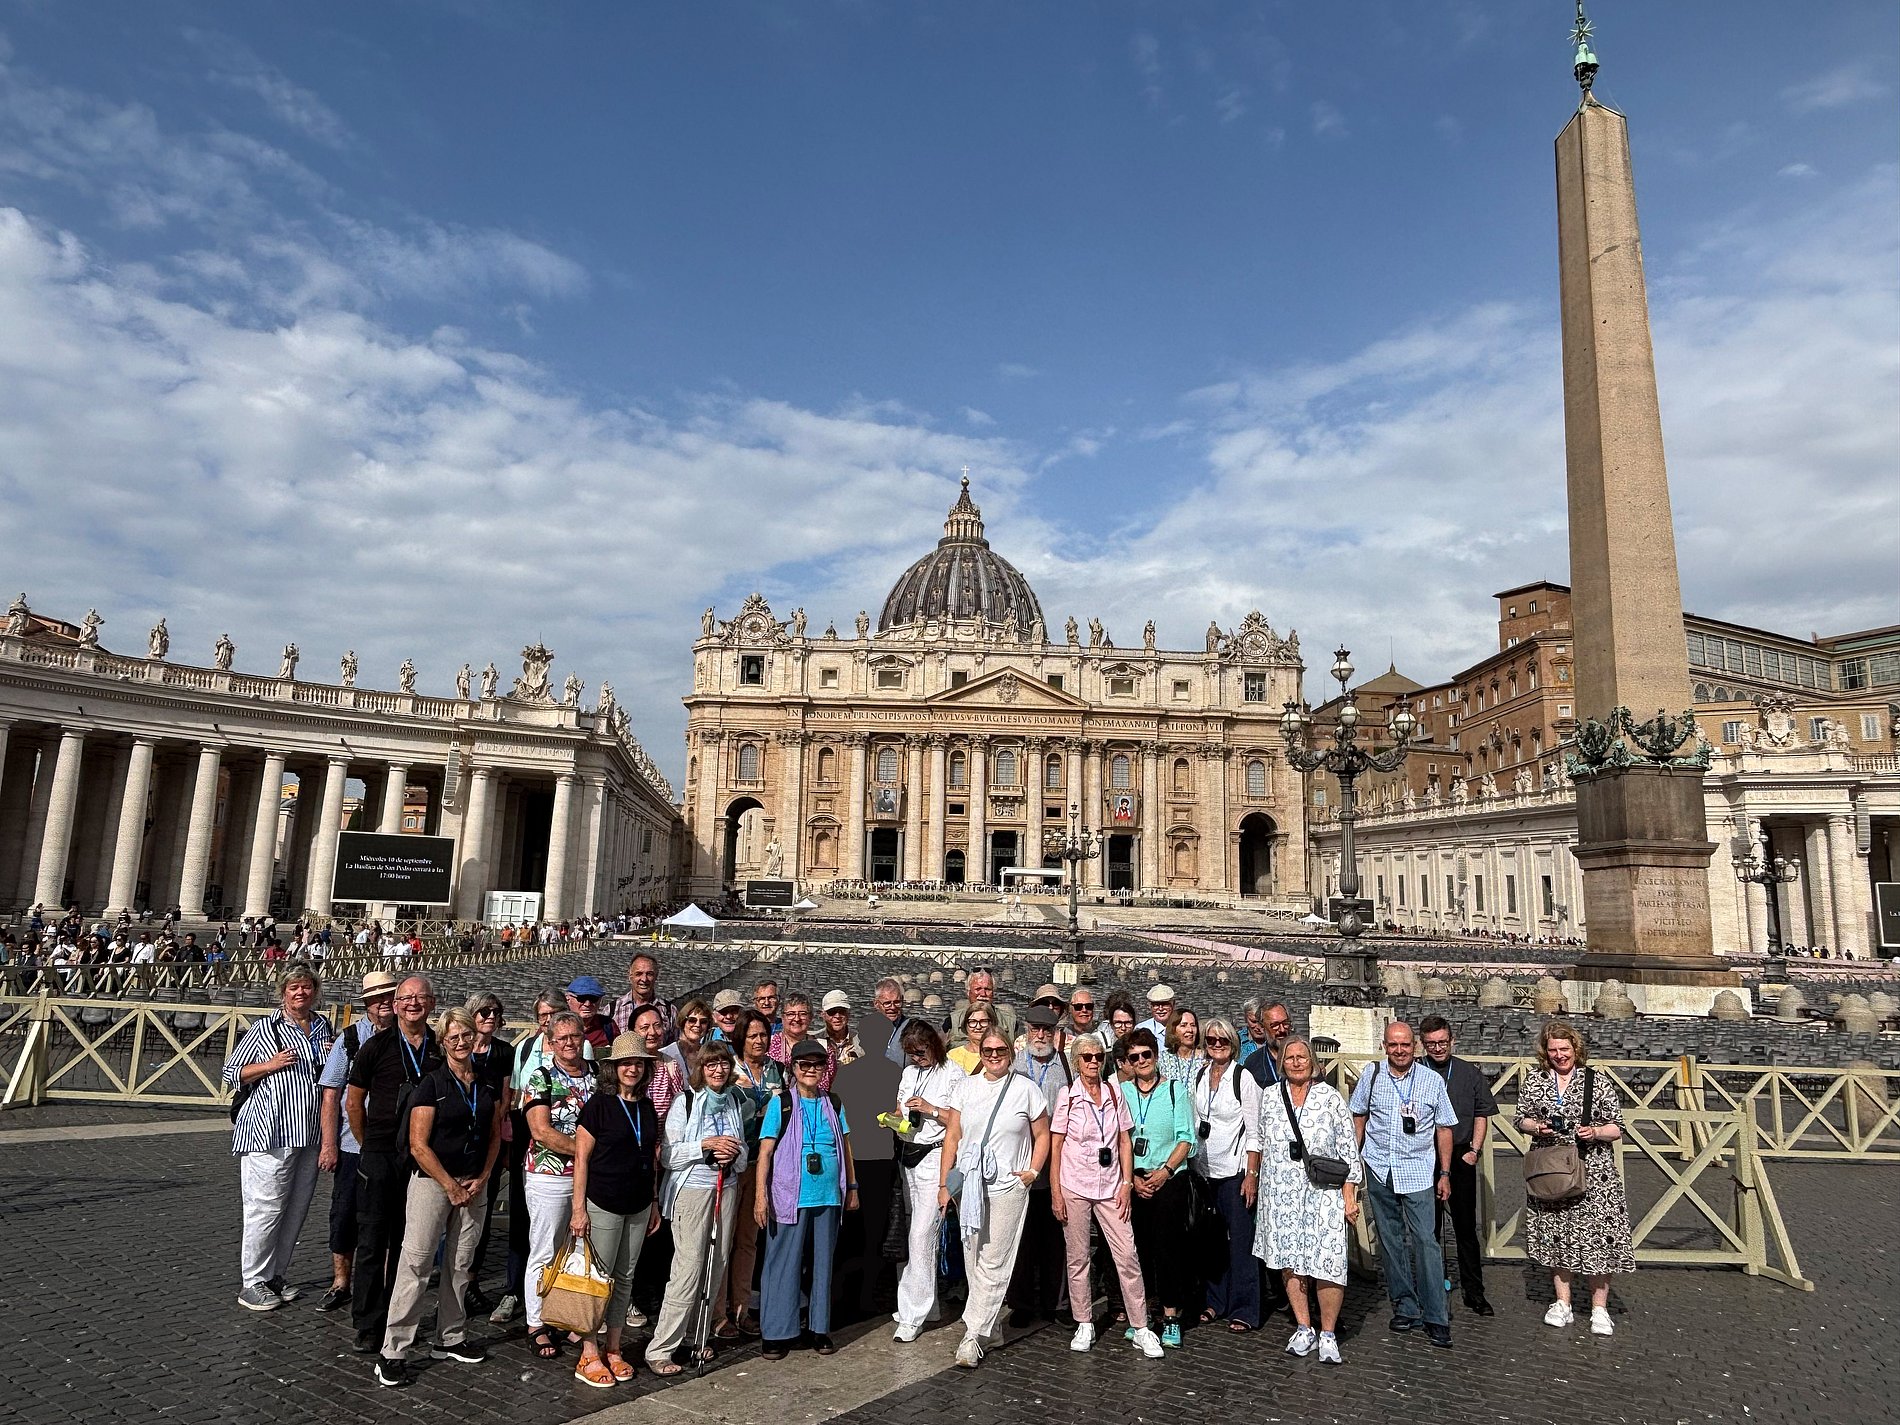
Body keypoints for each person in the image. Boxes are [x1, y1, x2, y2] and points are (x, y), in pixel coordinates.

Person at [375, 1008, 504, 1388]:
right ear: (443, 1042)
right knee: (415, 1264)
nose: (462, 1042)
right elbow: (418, 1144)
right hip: (434, 1183)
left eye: (466, 1035)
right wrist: (449, 1184)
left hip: (473, 1184)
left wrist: (482, 1177)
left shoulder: (487, 1083)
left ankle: (450, 1336)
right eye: (454, 1037)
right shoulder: (431, 1084)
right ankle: (393, 1349)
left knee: (461, 1263)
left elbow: (495, 1135)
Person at [223, 964, 335, 1311]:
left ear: (315, 991)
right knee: (265, 1209)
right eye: (293, 988)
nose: (300, 993)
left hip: (310, 1131)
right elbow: (231, 1073)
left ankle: (275, 1274)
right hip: (270, 1132)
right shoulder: (264, 1029)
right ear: (282, 993)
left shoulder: (323, 1027)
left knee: (295, 1209)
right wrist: (268, 1066)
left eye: (306, 987)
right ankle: (251, 1281)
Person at [938, 1028, 1050, 1369]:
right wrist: (945, 1184)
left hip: (1008, 1186)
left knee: (994, 1260)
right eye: (987, 1050)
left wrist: (1032, 1172)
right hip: (970, 1185)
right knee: (973, 1259)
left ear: (1010, 1052)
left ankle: (972, 1335)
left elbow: (1042, 1134)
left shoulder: (1026, 1089)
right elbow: (952, 1136)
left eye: (1000, 1049)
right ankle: (990, 1329)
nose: (994, 1055)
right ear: (980, 1051)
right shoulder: (966, 1088)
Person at [1048, 1032, 1164, 1358]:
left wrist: (1127, 1184)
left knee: (1127, 1254)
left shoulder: (1115, 1092)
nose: (1094, 1062)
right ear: (1077, 1061)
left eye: (1099, 1056)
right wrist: (1056, 1192)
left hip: (1111, 1184)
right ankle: (1084, 1321)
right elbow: (1056, 1146)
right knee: (1078, 1257)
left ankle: (1141, 1326)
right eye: (1087, 1057)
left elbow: (1125, 1141)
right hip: (1075, 1183)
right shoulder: (1067, 1095)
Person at [1515, 1020, 1633, 1336]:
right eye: (1553, 1050)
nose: (1559, 1055)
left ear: (1575, 1049)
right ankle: (1562, 1303)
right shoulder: (1535, 1082)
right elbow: (1520, 1118)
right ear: (1545, 1051)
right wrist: (1536, 1127)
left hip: (1594, 1172)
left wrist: (1595, 1131)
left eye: (1564, 1049)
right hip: (1551, 1170)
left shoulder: (1598, 1081)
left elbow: (1618, 1127)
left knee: (1599, 1239)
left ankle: (1599, 1309)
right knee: (1557, 1235)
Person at [346, 975, 442, 1353]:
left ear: (432, 1004)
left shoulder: (440, 1046)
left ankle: (400, 1316)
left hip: (424, 1157)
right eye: (406, 998)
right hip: (382, 1154)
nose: (413, 1003)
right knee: (372, 1241)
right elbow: (354, 1102)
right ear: (396, 1005)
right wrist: (367, 1144)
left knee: (411, 1244)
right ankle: (368, 1322)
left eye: (421, 998)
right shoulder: (375, 1046)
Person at [1253, 1036, 1362, 1363]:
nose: (1296, 1062)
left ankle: (1327, 1332)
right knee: (1290, 1260)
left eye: (1302, 1057)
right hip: (1281, 1195)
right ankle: (1304, 1327)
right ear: (1281, 1063)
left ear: (1313, 1062)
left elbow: (1348, 1150)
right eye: (1290, 1058)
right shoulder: (1271, 1096)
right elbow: (1261, 1141)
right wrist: (1256, 1182)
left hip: (1322, 1195)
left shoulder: (1330, 1098)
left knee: (1328, 1262)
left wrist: (1350, 1195)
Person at [1350, 1020, 1457, 1349]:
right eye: (1393, 1045)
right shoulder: (1371, 1075)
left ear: (1415, 1047)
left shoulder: (1431, 1081)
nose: (1399, 1050)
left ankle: (1436, 1314)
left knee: (1426, 1241)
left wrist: (1445, 1173)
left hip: (1418, 1170)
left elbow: (1444, 1128)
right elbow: (1358, 1116)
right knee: (1391, 1242)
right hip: (1380, 1167)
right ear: (1385, 1046)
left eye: (1405, 1045)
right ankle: (1405, 1306)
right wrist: (1354, 1163)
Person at [754, 1038, 860, 1359]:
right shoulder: (781, 1104)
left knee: (823, 1264)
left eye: (817, 1064)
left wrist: (852, 1188)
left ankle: (818, 1328)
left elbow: (846, 1146)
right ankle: (776, 1332)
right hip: (790, 1195)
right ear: (794, 1069)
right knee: (782, 1262)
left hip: (827, 1195)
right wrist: (761, 1195)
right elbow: (765, 1152)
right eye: (804, 1065)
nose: (811, 1070)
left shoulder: (834, 1102)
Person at [568, 1032, 662, 1386]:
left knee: (625, 1279)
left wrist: (653, 1202)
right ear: (614, 1068)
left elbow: (650, 1158)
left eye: (638, 1063)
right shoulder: (598, 1106)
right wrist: (579, 1208)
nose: (632, 1069)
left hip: (637, 1204)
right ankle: (588, 1352)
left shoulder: (648, 1106)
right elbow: (581, 1159)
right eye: (626, 1063)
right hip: (603, 1202)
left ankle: (614, 1347)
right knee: (597, 1281)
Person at [648, 1040, 748, 1374]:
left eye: (723, 1064)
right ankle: (661, 1347)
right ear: (701, 1069)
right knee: (689, 1268)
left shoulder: (735, 1100)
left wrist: (733, 1155)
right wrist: (705, 1146)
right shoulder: (685, 1102)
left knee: (716, 1265)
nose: (718, 1070)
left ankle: (697, 1337)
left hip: (727, 1188)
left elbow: (744, 1152)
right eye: (711, 1065)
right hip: (692, 1192)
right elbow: (668, 1154)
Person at [316, 971, 399, 1313]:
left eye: (388, 997)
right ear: (366, 1003)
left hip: (394, 1145)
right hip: (352, 1145)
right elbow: (331, 1094)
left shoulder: (410, 1037)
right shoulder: (349, 1039)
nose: (383, 1004)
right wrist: (329, 1144)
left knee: (389, 1217)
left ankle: (382, 1281)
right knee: (344, 1213)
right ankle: (341, 1282)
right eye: (376, 998)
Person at [521, 1010, 597, 1361]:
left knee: (577, 1251)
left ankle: (567, 1315)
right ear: (550, 1043)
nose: (569, 1043)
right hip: (550, 1175)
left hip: (588, 1177)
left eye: (574, 1036)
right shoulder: (540, 1077)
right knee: (546, 1249)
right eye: (561, 1038)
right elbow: (540, 1131)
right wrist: (586, 1152)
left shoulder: (597, 1075)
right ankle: (536, 1322)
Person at [1117, 1027, 1195, 1348]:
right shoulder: (1124, 1093)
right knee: (1139, 1251)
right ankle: (1144, 1315)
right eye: (1134, 1057)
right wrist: (1133, 1176)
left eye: (1146, 1054)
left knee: (1168, 1251)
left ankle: (1171, 1315)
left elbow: (1186, 1139)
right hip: (1136, 1178)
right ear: (1129, 1063)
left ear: (1155, 1055)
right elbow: (1121, 1138)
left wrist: (1164, 1171)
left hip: (1169, 1179)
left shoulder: (1175, 1090)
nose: (1141, 1061)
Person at [1419, 1015, 1500, 1316]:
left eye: (1442, 1042)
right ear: (1423, 1044)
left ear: (1453, 1041)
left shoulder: (1469, 1073)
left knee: (1465, 1228)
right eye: (1431, 1044)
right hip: (1424, 1156)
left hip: (1461, 1153)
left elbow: (1482, 1113)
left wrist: (1474, 1151)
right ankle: (1430, 1288)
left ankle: (1474, 1292)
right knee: (1429, 1228)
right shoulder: (1415, 1069)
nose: (1437, 1048)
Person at [1189, 1016, 1264, 1333]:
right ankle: (1215, 1301)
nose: (1216, 1044)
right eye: (1210, 1040)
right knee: (1211, 1242)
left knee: (1241, 1242)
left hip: (1234, 1173)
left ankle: (1246, 1307)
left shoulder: (1243, 1078)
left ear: (1232, 1043)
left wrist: (1251, 1173)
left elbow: (1254, 1132)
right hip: (1204, 1172)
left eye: (1222, 1040)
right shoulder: (1200, 1075)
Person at [715, 1009, 781, 1340]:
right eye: (752, 1035)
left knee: (747, 1241)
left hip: (761, 1165)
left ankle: (741, 1308)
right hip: (730, 1165)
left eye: (763, 1035)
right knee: (722, 1240)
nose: (759, 1040)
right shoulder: (729, 1070)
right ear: (741, 1037)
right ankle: (717, 1314)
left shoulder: (776, 1070)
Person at [890, 1021, 959, 1342]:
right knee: (911, 1232)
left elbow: (960, 1119)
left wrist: (931, 1109)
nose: (916, 1059)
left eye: (920, 1052)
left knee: (922, 1234)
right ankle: (926, 1306)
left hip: (935, 1157)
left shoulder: (953, 1073)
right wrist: (892, 1119)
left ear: (934, 1045)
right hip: (909, 1155)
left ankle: (911, 1314)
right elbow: (900, 1114)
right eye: (911, 1054)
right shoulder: (909, 1075)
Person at [1006, 1004, 1070, 1327]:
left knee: (1054, 1238)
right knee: (1021, 1239)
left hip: (1055, 1168)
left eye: (1047, 1030)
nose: (1040, 1035)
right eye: (1035, 1030)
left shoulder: (1067, 1066)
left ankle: (1053, 1303)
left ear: (1055, 1033)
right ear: (1027, 1032)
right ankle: (1021, 1303)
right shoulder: (1014, 1065)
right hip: (1021, 1165)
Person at [463, 992, 517, 1315]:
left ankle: (470, 1281)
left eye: (496, 1011)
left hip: (489, 1140)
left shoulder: (504, 1052)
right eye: (484, 1011)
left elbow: (507, 1097)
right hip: (458, 1143)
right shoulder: (458, 1046)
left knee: (480, 1215)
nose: (490, 1017)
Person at [609, 952, 677, 1046]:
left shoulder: (670, 1011)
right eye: (639, 974)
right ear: (630, 976)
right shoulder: (612, 1010)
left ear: (656, 976)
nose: (644, 979)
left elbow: (675, 1048)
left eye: (649, 974)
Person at [946, 967, 1017, 1046]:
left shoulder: (1011, 1022)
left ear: (993, 992)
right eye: (978, 989)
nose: (983, 994)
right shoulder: (951, 1021)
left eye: (987, 989)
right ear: (968, 992)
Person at [1242, 1002, 1296, 1087]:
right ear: (1262, 1028)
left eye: (1285, 1023)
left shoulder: (1304, 1057)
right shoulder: (1253, 1063)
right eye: (1275, 1025)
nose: (1282, 1030)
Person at [662, 999, 712, 1084]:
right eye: (692, 1020)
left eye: (703, 1022)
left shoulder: (709, 1055)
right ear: (683, 1022)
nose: (697, 1025)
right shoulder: (666, 1054)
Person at [565, 976, 616, 1051]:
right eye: (581, 998)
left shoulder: (608, 1026)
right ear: (568, 999)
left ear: (600, 1001)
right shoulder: (556, 1025)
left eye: (593, 999)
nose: (587, 1004)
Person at [872, 977, 915, 1064]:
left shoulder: (913, 1030)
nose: (893, 1007)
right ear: (876, 1004)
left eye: (897, 1002)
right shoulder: (868, 1030)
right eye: (887, 1003)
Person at [1159, 1008, 1205, 1083]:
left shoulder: (1205, 1058)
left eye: (1193, 1025)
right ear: (1173, 1029)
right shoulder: (1162, 1059)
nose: (1190, 1030)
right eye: (1183, 1025)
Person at [819, 990, 864, 1065]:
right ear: (823, 1015)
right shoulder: (815, 1041)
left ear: (848, 1014)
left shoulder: (862, 1042)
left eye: (842, 1011)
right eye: (832, 1012)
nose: (837, 1016)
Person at [948, 1005, 992, 1074]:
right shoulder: (952, 1056)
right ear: (965, 1026)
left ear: (992, 1024)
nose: (978, 1026)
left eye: (984, 1021)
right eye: (973, 1022)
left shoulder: (1001, 1054)